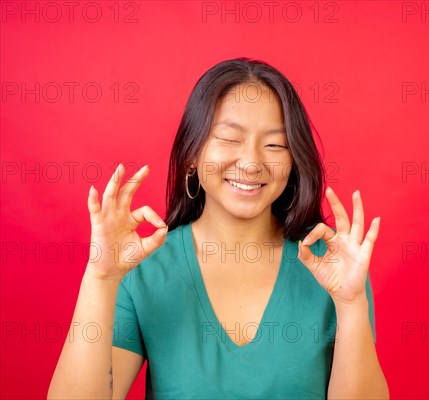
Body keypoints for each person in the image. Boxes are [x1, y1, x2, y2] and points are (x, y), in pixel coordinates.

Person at [48, 57, 389, 399]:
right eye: (229, 138)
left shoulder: (332, 268)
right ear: (193, 153)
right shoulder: (144, 268)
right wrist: (100, 279)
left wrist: (351, 304)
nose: (252, 162)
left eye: (275, 144)